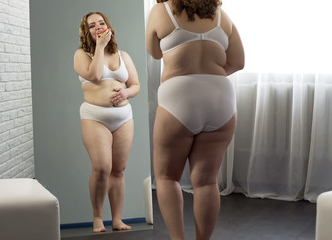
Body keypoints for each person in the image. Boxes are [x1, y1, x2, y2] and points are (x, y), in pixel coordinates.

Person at [146, 0, 244, 239]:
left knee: (168, 177)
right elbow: (238, 62)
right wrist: (208, 76)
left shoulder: (162, 11)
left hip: (179, 94)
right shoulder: (223, 16)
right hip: (220, 96)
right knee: (207, 182)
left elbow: (155, 52)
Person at [73, 12, 140, 233]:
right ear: (87, 31)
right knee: (102, 168)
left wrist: (126, 93)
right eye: (92, 25)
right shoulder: (81, 55)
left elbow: (135, 85)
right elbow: (94, 76)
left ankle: (117, 220)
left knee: (119, 170)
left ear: (108, 26)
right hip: (94, 117)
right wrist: (100, 47)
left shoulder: (123, 55)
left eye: (101, 23)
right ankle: (98, 218)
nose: (98, 27)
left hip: (123, 117)